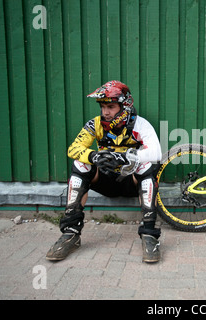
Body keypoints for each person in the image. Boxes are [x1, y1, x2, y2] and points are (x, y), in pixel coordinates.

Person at [46, 80, 162, 263]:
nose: (105, 112)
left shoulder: (140, 125)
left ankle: (150, 235)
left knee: (147, 165)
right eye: (103, 107)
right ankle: (70, 233)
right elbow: (73, 148)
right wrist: (93, 156)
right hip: (105, 181)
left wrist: (126, 157)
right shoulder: (95, 124)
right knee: (80, 163)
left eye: (111, 106)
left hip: (130, 182)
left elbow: (156, 153)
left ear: (125, 105)